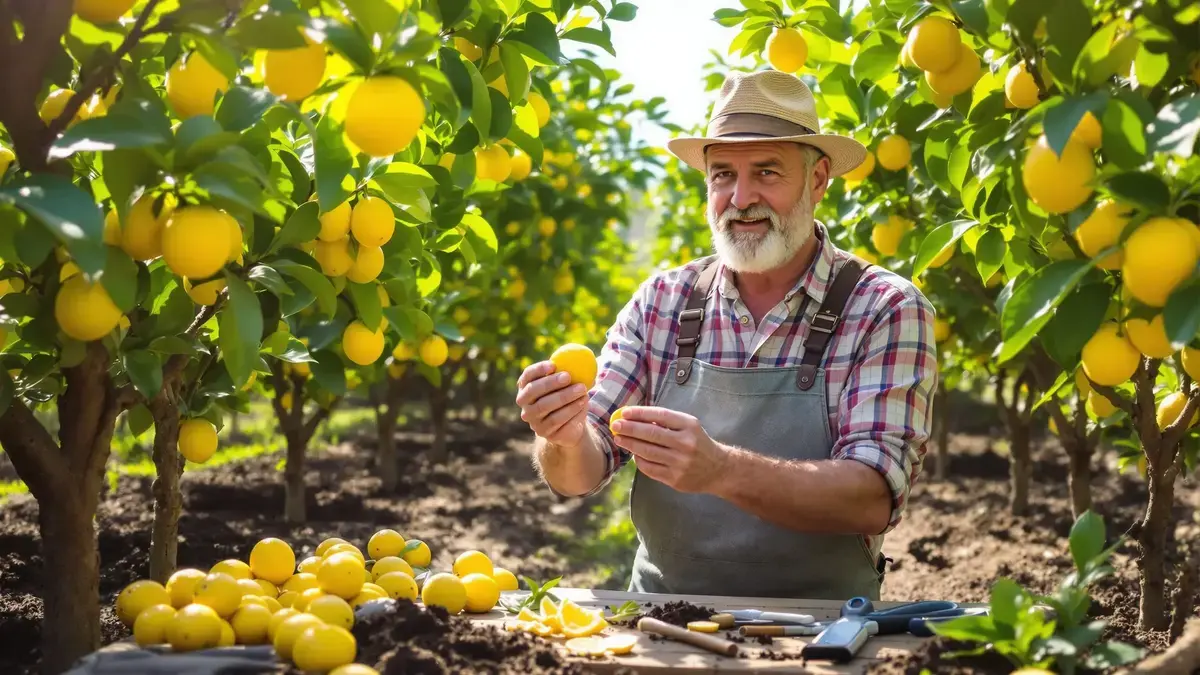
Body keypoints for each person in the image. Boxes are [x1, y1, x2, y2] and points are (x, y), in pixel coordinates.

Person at [514, 70, 938, 601]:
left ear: (818, 180)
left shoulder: (883, 308)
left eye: (766, 172)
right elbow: (579, 472)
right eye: (722, 175)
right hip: (663, 618)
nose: (740, 198)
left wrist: (721, 470)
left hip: (820, 625)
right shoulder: (663, 302)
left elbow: (874, 496)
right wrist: (563, 435)